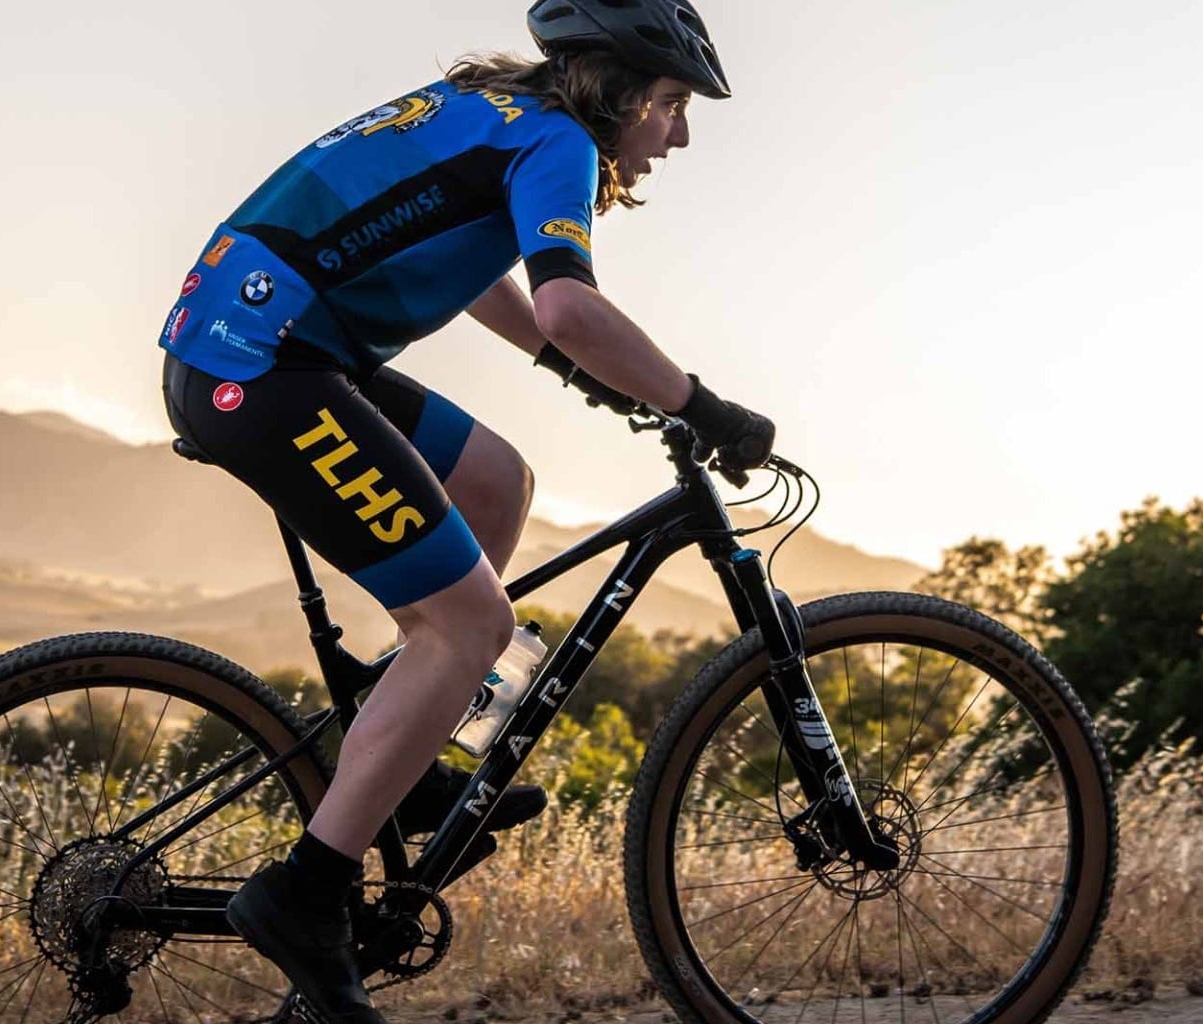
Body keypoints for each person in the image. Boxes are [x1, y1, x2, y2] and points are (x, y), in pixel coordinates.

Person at [155, 2, 774, 1020]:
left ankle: (400, 758)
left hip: (271, 345)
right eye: (670, 104)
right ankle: (305, 894)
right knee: (471, 625)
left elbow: (484, 269)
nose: (677, 134)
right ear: (619, 89)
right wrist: (704, 407)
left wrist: (572, 370)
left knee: (495, 483)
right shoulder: (560, 141)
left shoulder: (492, 106)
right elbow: (568, 304)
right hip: (262, 368)